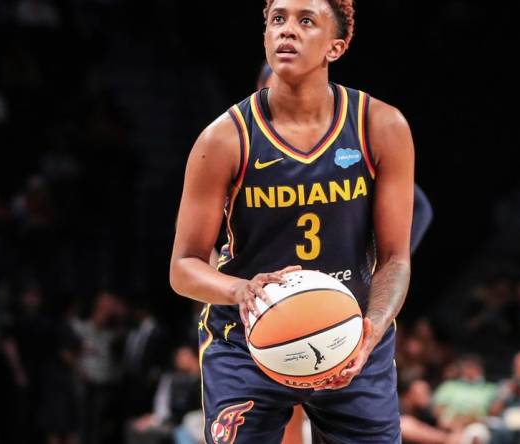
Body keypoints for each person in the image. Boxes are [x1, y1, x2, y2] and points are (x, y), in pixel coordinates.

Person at [169, 0, 415, 442]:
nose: (287, 31)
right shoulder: (223, 139)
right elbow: (183, 267)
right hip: (247, 338)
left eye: (306, 21)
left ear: (335, 47)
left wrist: (371, 330)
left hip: (349, 331)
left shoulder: (381, 125)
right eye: (277, 20)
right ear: (264, 36)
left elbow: (395, 259)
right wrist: (240, 289)